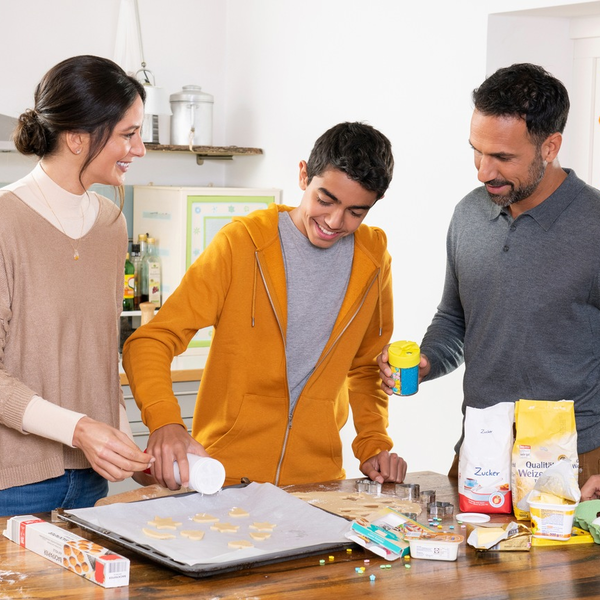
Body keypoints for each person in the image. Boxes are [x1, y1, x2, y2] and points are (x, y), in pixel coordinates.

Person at [378, 63, 600, 505]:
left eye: (503, 158)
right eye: (477, 151)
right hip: (479, 459)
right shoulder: (469, 214)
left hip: (576, 471)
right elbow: (455, 320)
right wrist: (427, 361)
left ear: (550, 146)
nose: (484, 172)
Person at [123, 122, 407, 489]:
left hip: (317, 486)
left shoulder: (373, 260)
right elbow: (150, 342)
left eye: (356, 212)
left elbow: (366, 368)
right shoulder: (241, 244)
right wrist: (166, 422)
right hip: (223, 479)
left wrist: (373, 445)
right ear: (304, 175)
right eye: (325, 200)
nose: (335, 222)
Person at [0, 55, 153, 522]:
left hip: (87, 484)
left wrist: (126, 450)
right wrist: (80, 431)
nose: (139, 150)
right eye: (128, 134)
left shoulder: (111, 225)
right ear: (78, 137)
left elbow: (96, 356)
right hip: (0, 489)